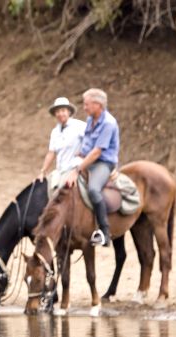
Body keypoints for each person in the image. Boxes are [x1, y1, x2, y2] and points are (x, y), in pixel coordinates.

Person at [64, 88, 119, 247]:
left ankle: (104, 231)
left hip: (103, 162)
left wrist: (78, 169)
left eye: (86, 104)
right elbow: (87, 146)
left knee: (94, 189)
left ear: (97, 104)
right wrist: (77, 156)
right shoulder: (90, 120)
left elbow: (97, 152)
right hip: (88, 159)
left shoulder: (108, 123)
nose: (84, 107)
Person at [37, 97, 86, 181]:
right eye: (58, 111)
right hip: (60, 170)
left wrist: (84, 153)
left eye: (63, 110)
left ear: (69, 112)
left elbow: (92, 141)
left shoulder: (80, 126)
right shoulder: (55, 132)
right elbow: (51, 152)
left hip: (76, 168)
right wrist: (43, 171)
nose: (60, 114)